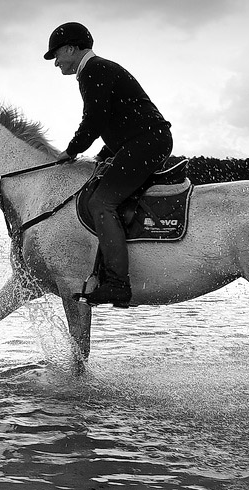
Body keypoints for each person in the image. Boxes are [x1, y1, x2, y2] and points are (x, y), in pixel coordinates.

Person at [45, 22, 173, 306]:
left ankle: (117, 284)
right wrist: (103, 154)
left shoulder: (94, 71)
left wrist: (72, 150)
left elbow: (95, 119)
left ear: (71, 48)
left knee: (101, 203)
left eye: (56, 55)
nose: (56, 63)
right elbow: (118, 119)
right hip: (141, 141)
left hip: (146, 143)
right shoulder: (96, 70)